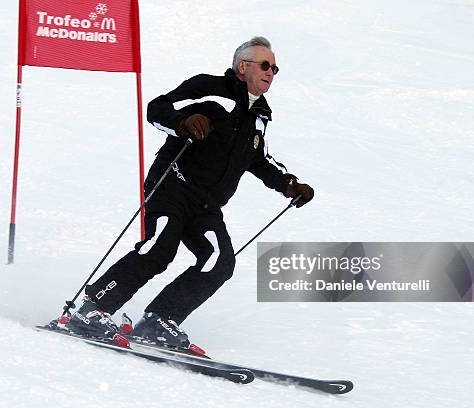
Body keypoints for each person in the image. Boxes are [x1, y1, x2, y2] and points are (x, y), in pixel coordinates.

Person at [66, 36, 314, 351]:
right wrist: (183, 121)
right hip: (172, 184)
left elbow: (258, 158)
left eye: (275, 68)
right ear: (242, 67)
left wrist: (288, 184)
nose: (271, 72)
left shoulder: (260, 114)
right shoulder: (210, 89)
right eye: (265, 65)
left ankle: (158, 320)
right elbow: (158, 109)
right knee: (160, 248)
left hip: (206, 204)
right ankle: (91, 310)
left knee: (220, 261)